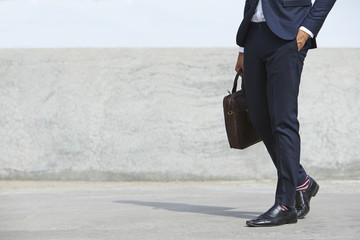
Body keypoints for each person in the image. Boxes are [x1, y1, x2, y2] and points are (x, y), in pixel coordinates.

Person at [235, 0, 336, 227]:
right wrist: (243, 48)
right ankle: (302, 182)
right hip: (253, 35)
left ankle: (285, 205)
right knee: (259, 118)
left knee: (283, 120)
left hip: (289, 34)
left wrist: (308, 29)